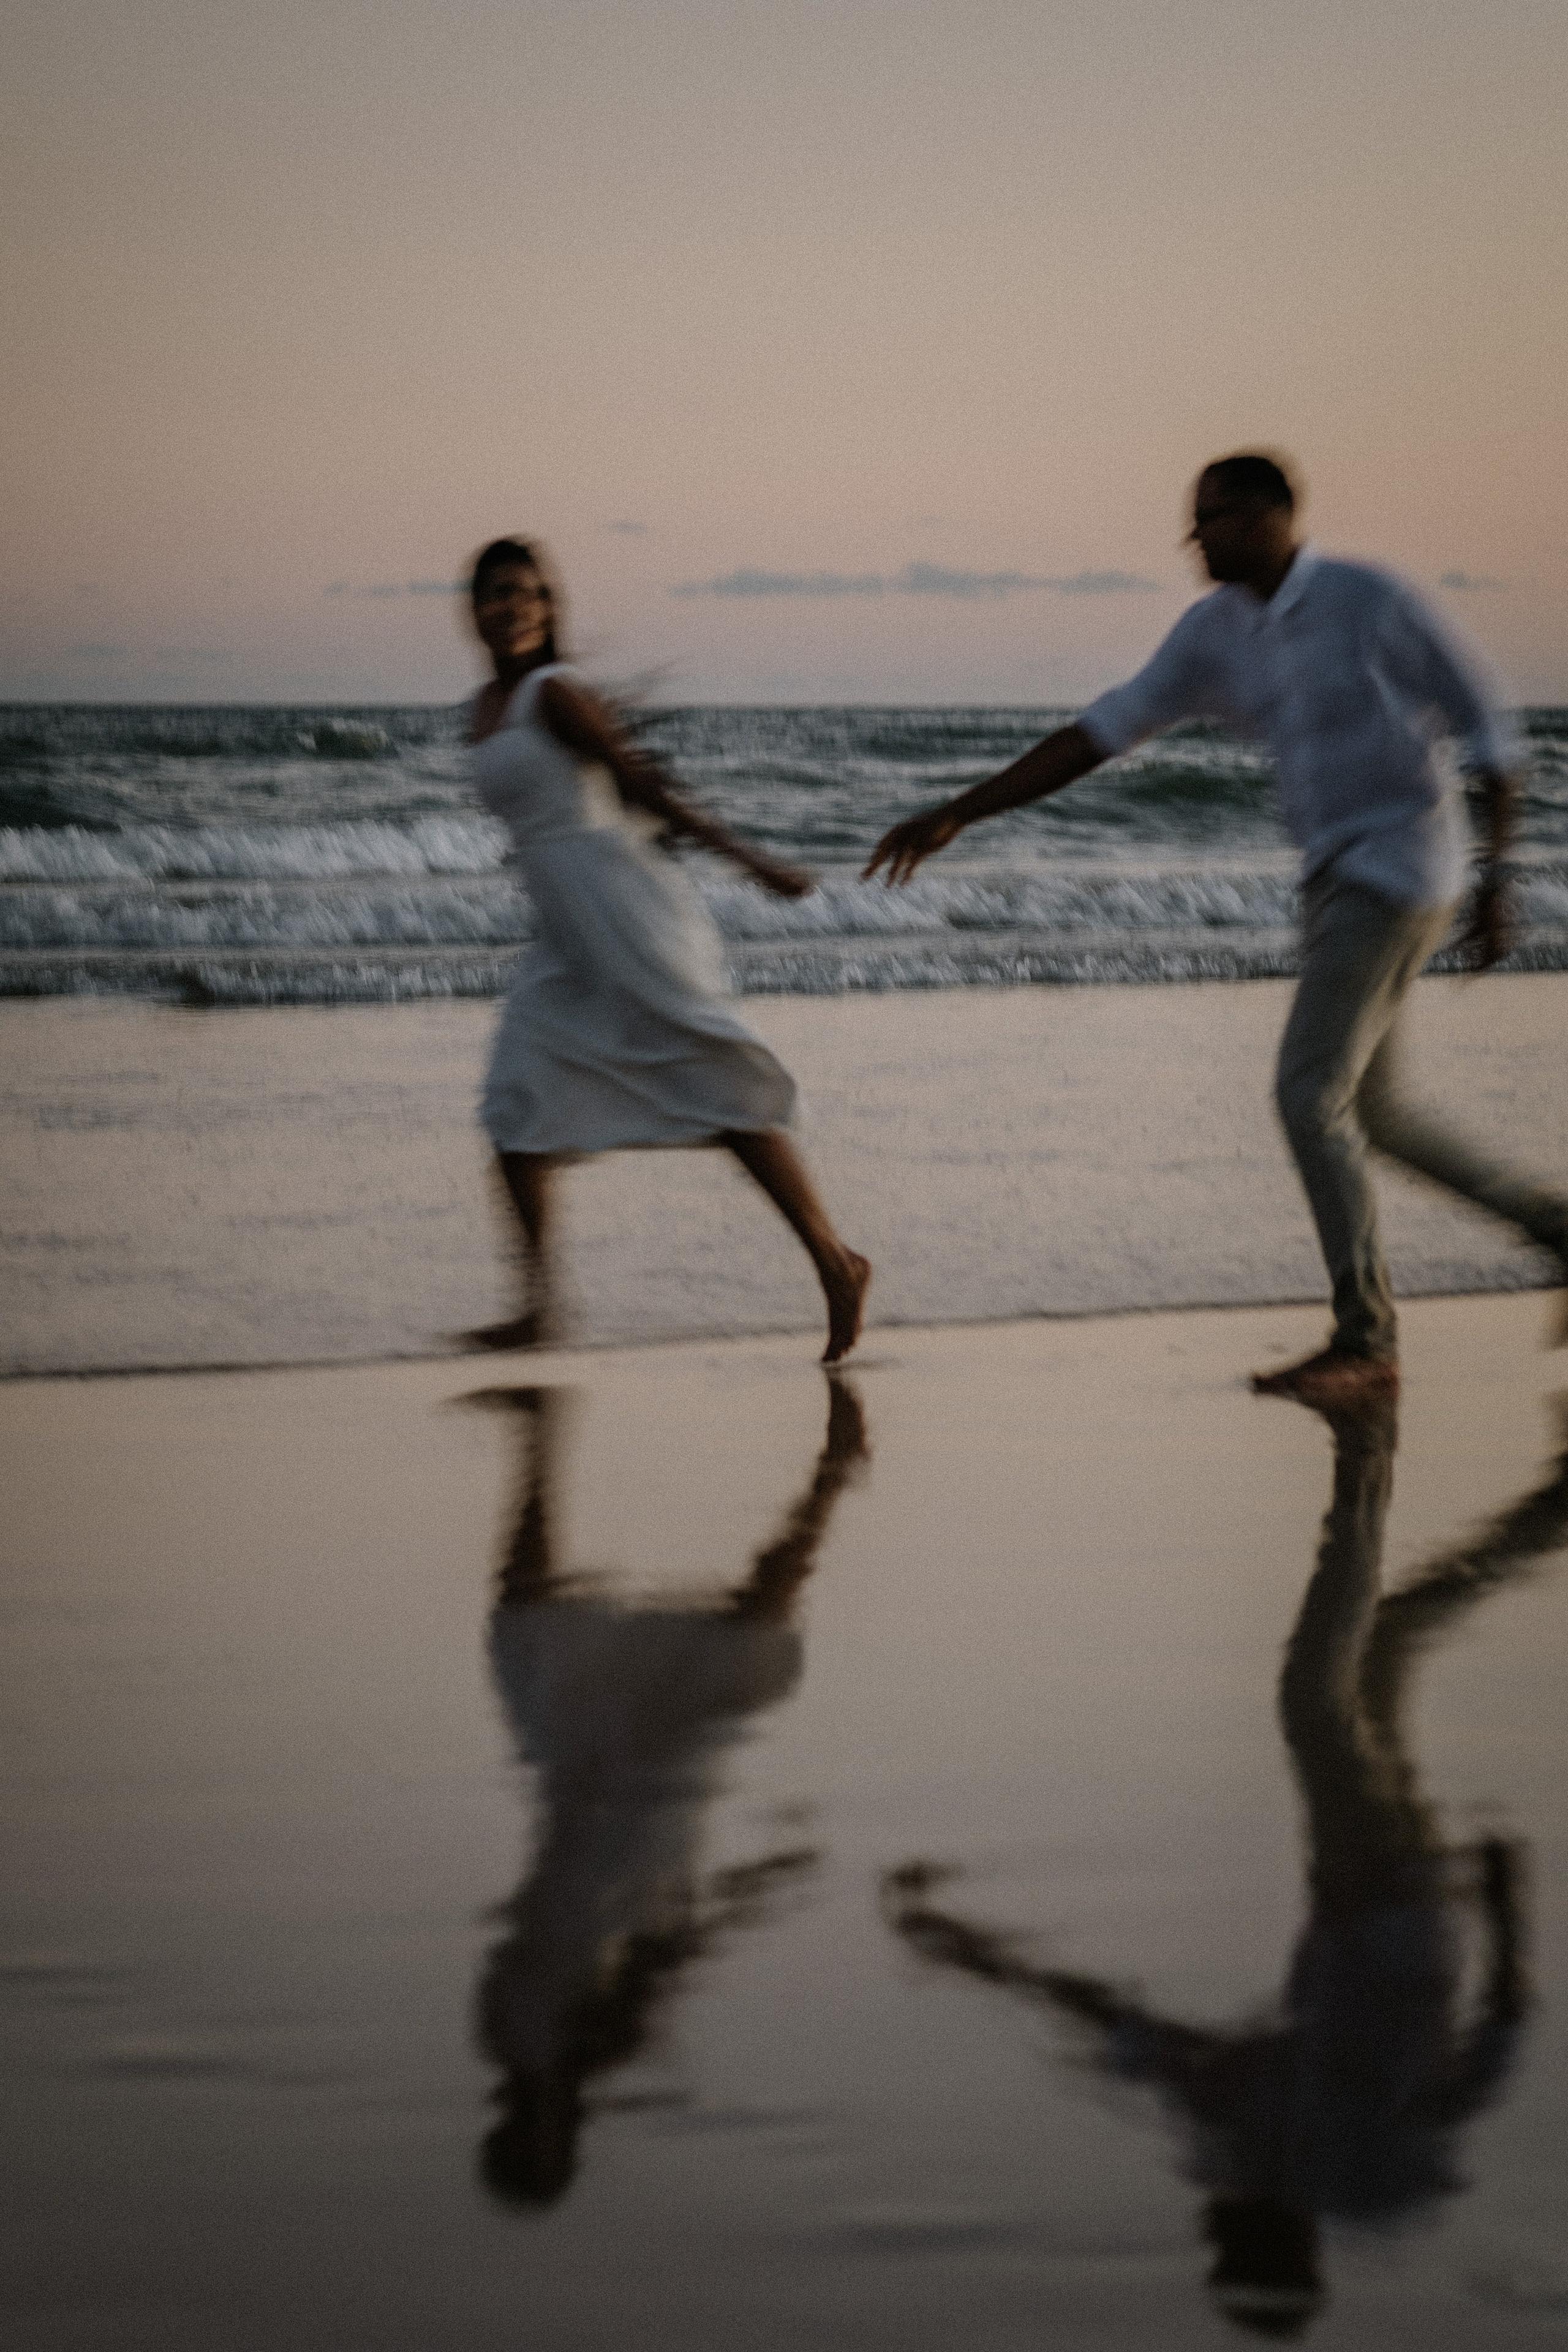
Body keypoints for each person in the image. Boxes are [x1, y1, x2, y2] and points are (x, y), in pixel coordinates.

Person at [865, 454, 1568, 1403]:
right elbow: (1102, 731)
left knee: (1306, 1094)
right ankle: (1557, 1229)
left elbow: (1491, 733)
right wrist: (960, 810)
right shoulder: (1214, 633)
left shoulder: (1369, 600)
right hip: (1331, 878)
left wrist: (1499, 880)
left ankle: (1368, 1340)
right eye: (1194, 524)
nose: (1199, 540)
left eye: (1216, 519)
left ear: (1276, 515)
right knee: (1375, 1115)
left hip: (1400, 870)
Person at [883, 1390, 1568, 2335]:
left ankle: (1542, 1516)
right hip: (1370, 1882)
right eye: (1220, 2236)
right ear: (1252, 2233)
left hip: (1426, 1901)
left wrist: (1504, 1914)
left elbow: (1494, 2051)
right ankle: (1364, 1463)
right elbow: (1115, 2023)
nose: (1204, 2214)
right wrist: (966, 1947)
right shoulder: (1262, 2140)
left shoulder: (1383, 2189)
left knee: (1387, 1652)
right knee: (1314, 1700)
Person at [464, 537, 870, 1362]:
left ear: (547, 610)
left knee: (712, 1080)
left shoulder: (556, 693)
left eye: (523, 594)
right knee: (514, 1106)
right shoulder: (480, 707)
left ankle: (835, 1261)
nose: (508, 607)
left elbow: (645, 787)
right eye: (493, 594)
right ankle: (539, 1307)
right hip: (564, 934)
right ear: (473, 609)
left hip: (624, 910)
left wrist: (751, 862)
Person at [467, 1377, 870, 2206]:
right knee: (731, 1649)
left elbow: (545, 1921)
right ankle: (831, 1479)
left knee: (525, 1620)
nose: (521, 2127)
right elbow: (673, 1949)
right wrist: (757, 1888)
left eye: (514, 2140)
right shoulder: (600, 2043)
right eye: (532, 2145)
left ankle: (538, 1438)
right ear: (564, 2138)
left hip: (576, 1795)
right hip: (636, 1828)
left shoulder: (503, 2034)